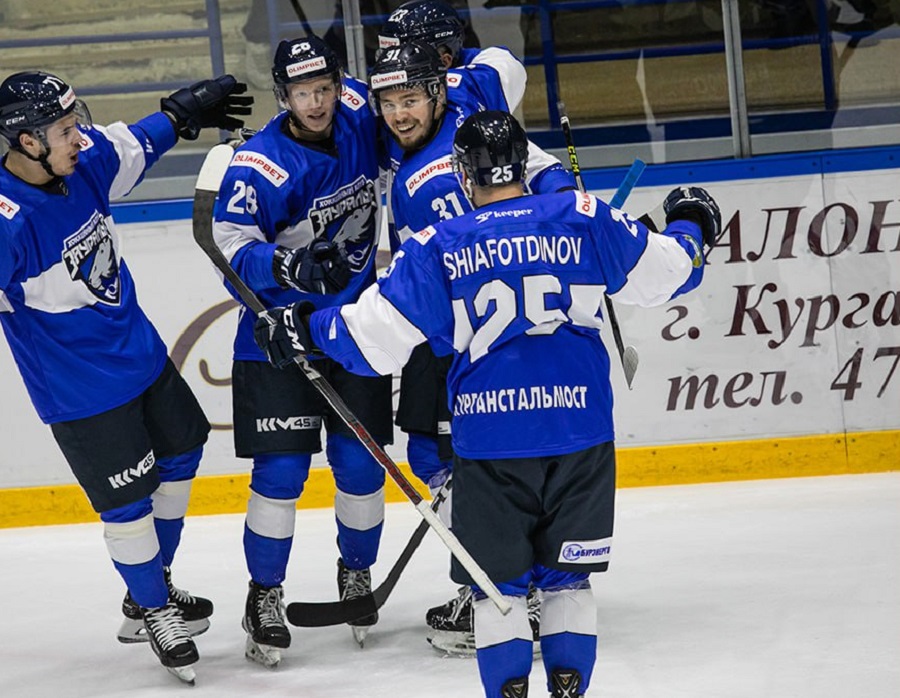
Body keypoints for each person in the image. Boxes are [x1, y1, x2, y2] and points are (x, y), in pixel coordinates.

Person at [254, 110, 720, 697]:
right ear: (524, 165)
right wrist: (691, 226)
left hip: (491, 446)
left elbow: (370, 341)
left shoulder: (438, 245)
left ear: (460, 174)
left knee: (498, 593)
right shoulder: (582, 216)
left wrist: (301, 327)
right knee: (568, 584)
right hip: (580, 437)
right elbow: (671, 275)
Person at [0, 70, 252, 683]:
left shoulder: (80, 162)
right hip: (80, 390)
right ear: (27, 143)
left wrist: (184, 111)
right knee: (127, 505)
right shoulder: (7, 221)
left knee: (184, 446)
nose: (77, 138)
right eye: (63, 131)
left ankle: (147, 592)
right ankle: (156, 607)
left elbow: (136, 140)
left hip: (141, 357)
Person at [369, 39, 574, 654]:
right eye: (389, 102)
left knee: (471, 464)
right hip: (482, 331)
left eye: (410, 99)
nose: (399, 114)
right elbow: (502, 63)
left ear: (435, 93)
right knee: (439, 457)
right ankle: (500, 580)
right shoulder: (473, 106)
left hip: (464, 339)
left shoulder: (428, 181)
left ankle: (507, 587)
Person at [210, 35, 391, 666]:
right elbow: (228, 249)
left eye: (325, 89)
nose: (316, 104)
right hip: (277, 339)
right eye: (301, 93)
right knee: (281, 475)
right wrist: (288, 265)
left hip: (357, 330)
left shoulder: (365, 114)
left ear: (341, 83)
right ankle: (264, 594)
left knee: (362, 469)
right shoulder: (260, 166)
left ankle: (357, 573)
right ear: (283, 96)